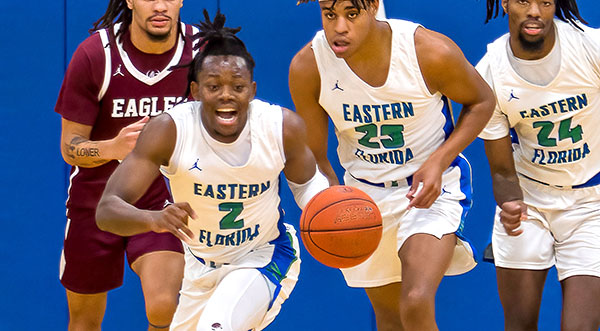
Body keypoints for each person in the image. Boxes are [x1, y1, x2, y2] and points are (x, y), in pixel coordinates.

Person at [96, 10, 329, 331]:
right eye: (213, 85)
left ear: (253, 89)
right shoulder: (169, 131)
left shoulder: (281, 127)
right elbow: (107, 210)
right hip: (199, 268)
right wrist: (153, 219)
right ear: (194, 91)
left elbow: (306, 185)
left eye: (237, 86)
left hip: (263, 257)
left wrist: (330, 211)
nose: (226, 96)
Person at [289, 0, 496, 330]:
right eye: (330, 14)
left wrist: (438, 162)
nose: (339, 26)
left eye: (351, 14)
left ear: (372, 7)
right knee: (390, 320)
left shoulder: (426, 51)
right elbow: (317, 157)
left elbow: (482, 100)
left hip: (430, 188)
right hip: (364, 199)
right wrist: (328, 204)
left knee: (415, 301)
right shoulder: (308, 66)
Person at [54, 0, 199, 329]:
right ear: (130, 1)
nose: (159, 5)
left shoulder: (201, 51)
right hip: (95, 198)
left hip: (163, 200)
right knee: (84, 321)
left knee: (165, 308)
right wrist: (113, 147)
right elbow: (69, 146)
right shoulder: (96, 55)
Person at [478, 0, 600, 329]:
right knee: (518, 325)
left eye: (545, 2)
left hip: (592, 205)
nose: (534, 11)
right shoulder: (489, 72)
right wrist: (509, 202)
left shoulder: (590, 47)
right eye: (523, 1)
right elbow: (502, 170)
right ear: (505, 4)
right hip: (529, 199)